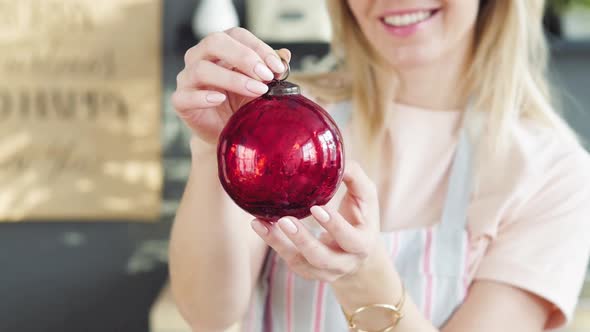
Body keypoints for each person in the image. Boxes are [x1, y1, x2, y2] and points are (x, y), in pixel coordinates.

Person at [169, 0, 590, 331]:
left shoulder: (553, 172)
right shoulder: (279, 125)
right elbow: (209, 316)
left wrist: (361, 275)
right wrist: (213, 146)